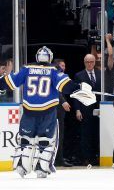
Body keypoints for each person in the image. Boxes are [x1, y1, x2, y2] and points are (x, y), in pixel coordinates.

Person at [0, 46, 93, 178]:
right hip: (47, 112)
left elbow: (10, 82)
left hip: (28, 111)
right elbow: (66, 86)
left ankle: (22, 165)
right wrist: (79, 87)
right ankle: (41, 168)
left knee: (25, 140)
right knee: (45, 141)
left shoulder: (26, 69)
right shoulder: (54, 71)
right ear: (49, 58)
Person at [74, 54, 101, 166]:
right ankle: (86, 157)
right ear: (84, 63)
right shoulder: (79, 75)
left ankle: (96, 157)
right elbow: (76, 94)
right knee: (86, 134)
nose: (90, 64)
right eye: (87, 62)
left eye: (91, 61)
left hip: (99, 109)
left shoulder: (100, 74)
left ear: (95, 62)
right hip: (85, 109)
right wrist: (77, 110)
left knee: (97, 133)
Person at [53, 58, 73, 167]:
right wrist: (63, 102)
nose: (63, 68)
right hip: (54, 109)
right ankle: (55, 158)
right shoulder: (55, 76)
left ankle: (59, 158)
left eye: (64, 66)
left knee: (60, 135)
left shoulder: (63, 78)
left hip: (60, 111)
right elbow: (56, 91)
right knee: (55, 135)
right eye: (61, 66)